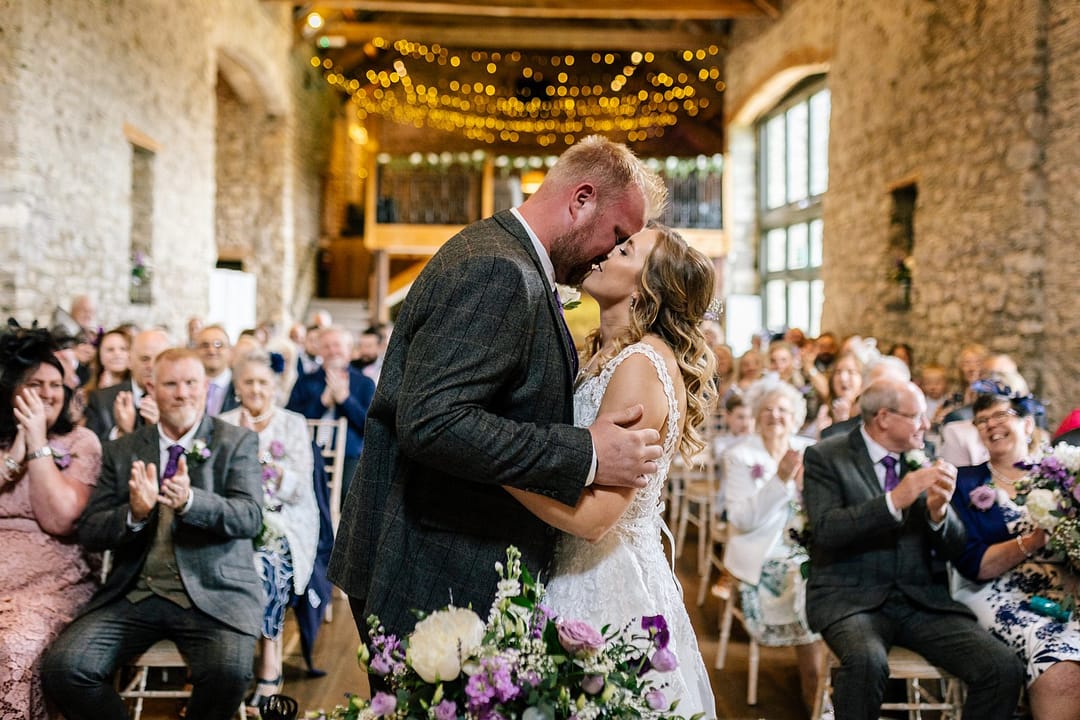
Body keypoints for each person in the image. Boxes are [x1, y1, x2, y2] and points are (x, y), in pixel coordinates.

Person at [328, 135, 669, 641]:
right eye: (617, 233)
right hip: (433, 570)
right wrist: (586, 450)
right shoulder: (499, 268)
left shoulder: (510, 258)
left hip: (443, 558)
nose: (606, 257)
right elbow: (433, 420)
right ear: (582, 200)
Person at [506, 224, 717, 717]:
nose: (604, 249)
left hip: (607, 575)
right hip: (568, 562)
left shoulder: (641, 367)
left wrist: (495, 466)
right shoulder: (604, 352)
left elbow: (595, 518)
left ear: (649, 287)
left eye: (625, 250)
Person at [41, 348, 264, 720]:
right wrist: (135, 513)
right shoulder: (122, 450)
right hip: (135, 594)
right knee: (65, 668)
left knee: (228, 673)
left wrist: (193, 501)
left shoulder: (235, 441)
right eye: (171, 384)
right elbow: (91, 529)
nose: (182, 393)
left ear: (206, 387)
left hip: (215, 596)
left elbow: (250, 517)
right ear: (152, 389)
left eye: (191, 383)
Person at [802, 378, 1024, 719]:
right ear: (884, 418)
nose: (927, 423)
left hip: (920, 601)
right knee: (866, 663)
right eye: (917, 416)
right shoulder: (827, 456)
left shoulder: (923, 456)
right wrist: (895, 500)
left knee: (1001, 667)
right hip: (850, 598)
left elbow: (956, 546)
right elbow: (826, 530)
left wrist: (939, 513)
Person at [949, 384, 1080, 720]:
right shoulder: (965, 483)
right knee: (1061, 662)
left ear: (1027, 424)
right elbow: (974, 564)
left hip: (1067, 590)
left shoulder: (1063, 475)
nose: (991, 424)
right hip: (998, 592)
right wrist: (1034, 539)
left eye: (1000, 415)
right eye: (981, 420)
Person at [0, 327, 102, 719]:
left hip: (52, 586)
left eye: (56, 384)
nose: (48, 393)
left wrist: (39, 446)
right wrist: (15, 455)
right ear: (11, 390)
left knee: (14, 646)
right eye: (36, 384)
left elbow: (59, 519)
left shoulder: (81, 442)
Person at [721, 377, 826, 715]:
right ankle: (817, 690)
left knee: (838, 573)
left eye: (782, 410)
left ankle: (831, 680)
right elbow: (741, 518)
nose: (774, 416)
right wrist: (780, 479)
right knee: (806, 579)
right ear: (755, 415)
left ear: (796, 416)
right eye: (766, 409)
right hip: (763, 551)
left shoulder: (811, 450)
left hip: (809, 543)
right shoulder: (739, 455)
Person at [220, 351, 318, 710]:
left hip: (287, 518)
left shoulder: (292, 423)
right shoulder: (224, 422)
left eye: (263, 382)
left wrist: (264, 462)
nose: (256, 389)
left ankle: (269, 662)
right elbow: (216, 482)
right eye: (249, 382)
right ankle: (228, 665)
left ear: (275, 386)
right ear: (237, 387)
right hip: (234, 518)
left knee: (264, 566)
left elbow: (300, 487)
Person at [286, 326, 375, 502]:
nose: (332, 351)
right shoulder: (305, 381)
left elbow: (371, 426)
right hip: (309, 452)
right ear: (319, 350)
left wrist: (345, 400)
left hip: (351, 456)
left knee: (350, 494)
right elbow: (290, 420)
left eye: (337, 345)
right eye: (326, 346)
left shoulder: (364, 383)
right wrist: (322, 403)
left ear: (348, 349)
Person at [83, 327, 170, 442]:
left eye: (158, 359)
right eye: (145, 359)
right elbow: (91, 450)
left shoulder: (179, 398)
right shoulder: (101, 399)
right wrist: (121, 433)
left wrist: (161, 430)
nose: (151, 366)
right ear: (129, 361)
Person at [194, 324, 239, 417]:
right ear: (195, 351)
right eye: (205, 345)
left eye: (219, 345)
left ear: (230, 351)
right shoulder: (187, 386)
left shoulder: (241, 385)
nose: (211, 350)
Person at [84, 327, 132, 393]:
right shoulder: (84, 393)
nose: (117, 354)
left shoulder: (142, 391)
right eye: (110, 349)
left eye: (123, 349)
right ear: (100, 356)